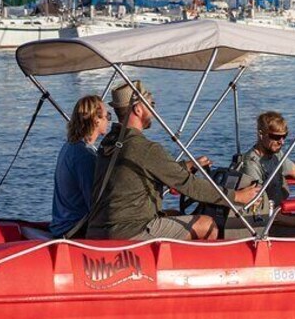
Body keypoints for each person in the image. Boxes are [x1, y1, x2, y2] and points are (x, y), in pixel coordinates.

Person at [86, 81, 261, 241]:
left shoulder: (110, 141)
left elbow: (143, 170)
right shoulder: (144, 148)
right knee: (207, 225)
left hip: (101, 227)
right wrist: (236, 196)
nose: (154, 111)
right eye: (151, 105)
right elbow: (189, 185)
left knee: (175, 213)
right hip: (129, 230)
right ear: (138, 109)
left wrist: (186, 166)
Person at [50, 95, 110, 237]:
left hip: (62, 223)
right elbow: (94, 203)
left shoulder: (69, 146)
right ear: (96, 120)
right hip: (74, 228)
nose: (108, 120)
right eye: (107, 116)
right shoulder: (85, 156)